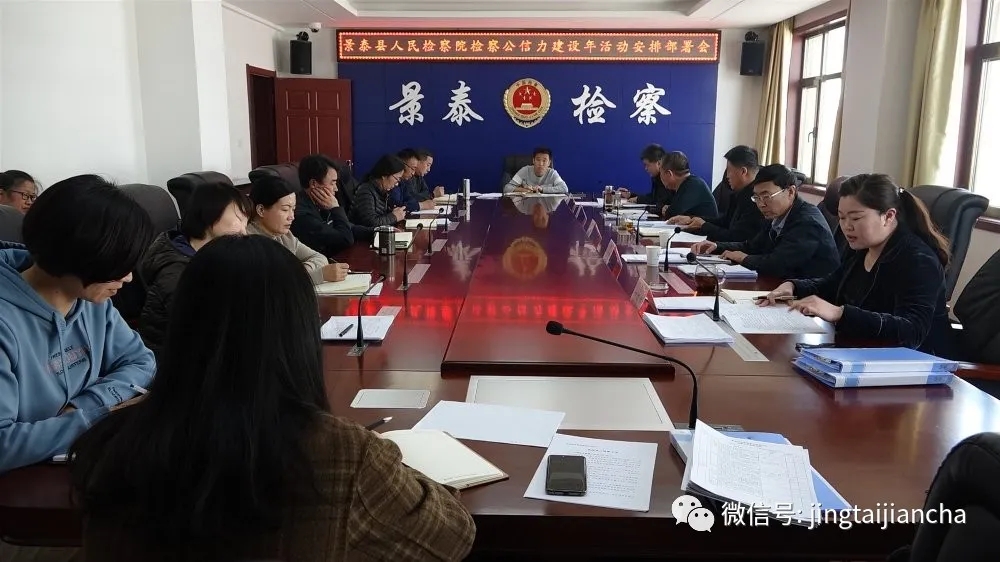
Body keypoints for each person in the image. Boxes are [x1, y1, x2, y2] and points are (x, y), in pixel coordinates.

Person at [69, 235, 476, 562]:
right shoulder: (343, 454)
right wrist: (389, 461)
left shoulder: (110, 445)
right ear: (298, 330)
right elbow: (452, 537)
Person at [0, 175, 156, 474]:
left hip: (81, 460)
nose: (128, 278)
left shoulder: (91, 300)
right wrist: (99, 419)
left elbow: (141, 361)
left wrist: (84, 406)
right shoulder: (6, 323)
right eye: (118, 265)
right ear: (78, 254)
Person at [760, 173, 954, 355]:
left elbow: (912, 331)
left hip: (914, 364)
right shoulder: (863, 247)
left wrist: (840, 313)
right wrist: (793, 286)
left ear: (888, 216)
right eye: (842, 218)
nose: (847, 226)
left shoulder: (919, 260)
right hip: (863, 351)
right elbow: (832, 284)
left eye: (856, 218)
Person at [138, 182, 250, 359]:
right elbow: (210, 327)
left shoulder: (215, 253)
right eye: (239, 218)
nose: (244, 232)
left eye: (246, 221)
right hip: (172, 360)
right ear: (210, 215)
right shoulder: (176, 272)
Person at [690, 164, 840, 279]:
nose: (761, 204)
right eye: (756, 197)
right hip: (782, 286)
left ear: (790, 191)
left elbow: (778, 264)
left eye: (766, 196)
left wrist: (744, 258)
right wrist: (717, 246)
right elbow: (753, 246)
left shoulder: (807, 222)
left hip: (813, 298)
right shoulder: (776, 214)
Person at [247, 175, 350, 285]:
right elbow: (271, 284)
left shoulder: (285, 236)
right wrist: (318, 275)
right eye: (285, 209)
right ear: (261, 210)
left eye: (293, 209)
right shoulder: (247, 243)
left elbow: (319, 258)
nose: (291, 217)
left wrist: (298, 273)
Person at [670, 145, 765, 242]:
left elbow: (736, 238)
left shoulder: (756, 199)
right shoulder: (740, 193)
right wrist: (691, 219)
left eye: (729, 170)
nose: (727, 176)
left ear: (743, 171)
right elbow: (725, 222)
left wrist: (704, 226)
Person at [291, 154, 369, 256]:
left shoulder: (319, 202)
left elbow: (348, 227)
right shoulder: (301, 214)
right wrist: (336, 208)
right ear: (314, 184)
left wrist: (378, 231)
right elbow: (345, 239)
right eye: (332, 183)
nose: (336, 189)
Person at [350, 154, 408, 227]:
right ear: (384, 175)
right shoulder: (365, 191)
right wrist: (394, 217)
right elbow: (370, 222)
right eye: (397, 179)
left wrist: (393, 212)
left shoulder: (383, 191)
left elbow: (382, 216)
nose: (397, 184)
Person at [657, 151, 718, 220]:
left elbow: (672, 214)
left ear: (669, 174)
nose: (660, 177)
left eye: (661, 173)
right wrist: (668, 208)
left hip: (707, 226)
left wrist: (668, 210)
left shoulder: (693, 185)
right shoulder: (687, 183)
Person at [625, 144, 673, 210]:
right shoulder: (656, 177)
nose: (646, 168)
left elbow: (659, 201)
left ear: (659, 163)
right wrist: (630, 195)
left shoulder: (667, 177)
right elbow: (653, 197)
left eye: (647, 165)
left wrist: (638, 199)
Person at [503, 147, 569, 194]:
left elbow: (564, 188)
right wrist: (524, 190)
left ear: (549, 163)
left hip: (546, 205)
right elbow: (507, 188)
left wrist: (542, 189)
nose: (541, 164)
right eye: (538, 160)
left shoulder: (552, 173)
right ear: (533, 161)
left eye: (544, 160)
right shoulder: (525, 170)